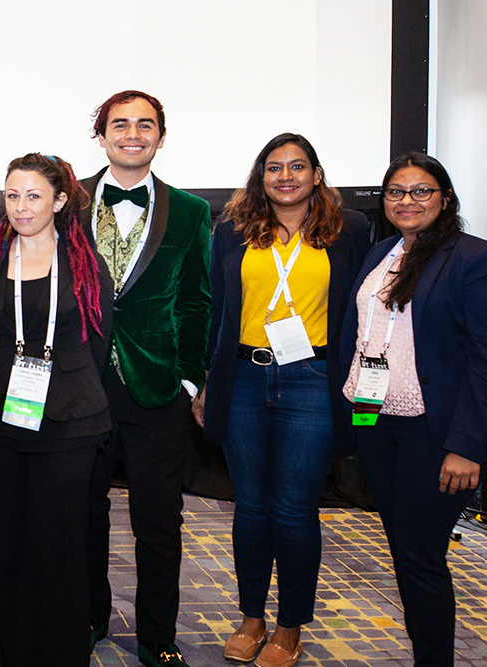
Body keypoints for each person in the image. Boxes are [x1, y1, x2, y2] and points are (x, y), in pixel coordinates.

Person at [194, 134, 369, 666]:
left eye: (297, 166)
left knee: (294, 509)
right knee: (249, 506)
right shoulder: (232, 228)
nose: (285, 176)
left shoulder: (349, 229)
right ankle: (252, 617)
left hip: (312, 379)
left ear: (316, 174)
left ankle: (290, 626)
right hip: (244, 378)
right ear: (260, 175)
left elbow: (361, 310)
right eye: (274, 167)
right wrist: (207, 380)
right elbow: (217, 308)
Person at [338, 153, 487, 667]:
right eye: (396, 192)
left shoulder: (471, 258)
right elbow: (366, 341)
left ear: (445, 198)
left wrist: (467, 446)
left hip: (434, 433)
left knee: (421, 556)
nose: (407, 201)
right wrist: (356, 426)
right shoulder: (382, 252)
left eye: (421, 191)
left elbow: (483, 360)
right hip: (377, 423)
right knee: (404, 550)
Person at [80, 90, 211, 667]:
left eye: (145, 125)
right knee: (83, 512)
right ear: (101, 135)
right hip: (80, 386)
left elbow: (198, 302)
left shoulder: (191, 211)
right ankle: (88, 616)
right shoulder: (67, 200)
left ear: (160, 136)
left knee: (158, 521)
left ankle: (157, 636)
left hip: (158, 390)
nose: (132, 134)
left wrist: (189, 381)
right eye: (120, 124)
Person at [0, 153, 112, 666]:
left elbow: (99, 343)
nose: (22, 207)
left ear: (59, 200)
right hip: (0, 420)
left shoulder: (85, 264)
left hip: (68, 424)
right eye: (12, 196)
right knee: (5, 544)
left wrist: (68, 388)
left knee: (59, 546)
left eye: (33, 196)